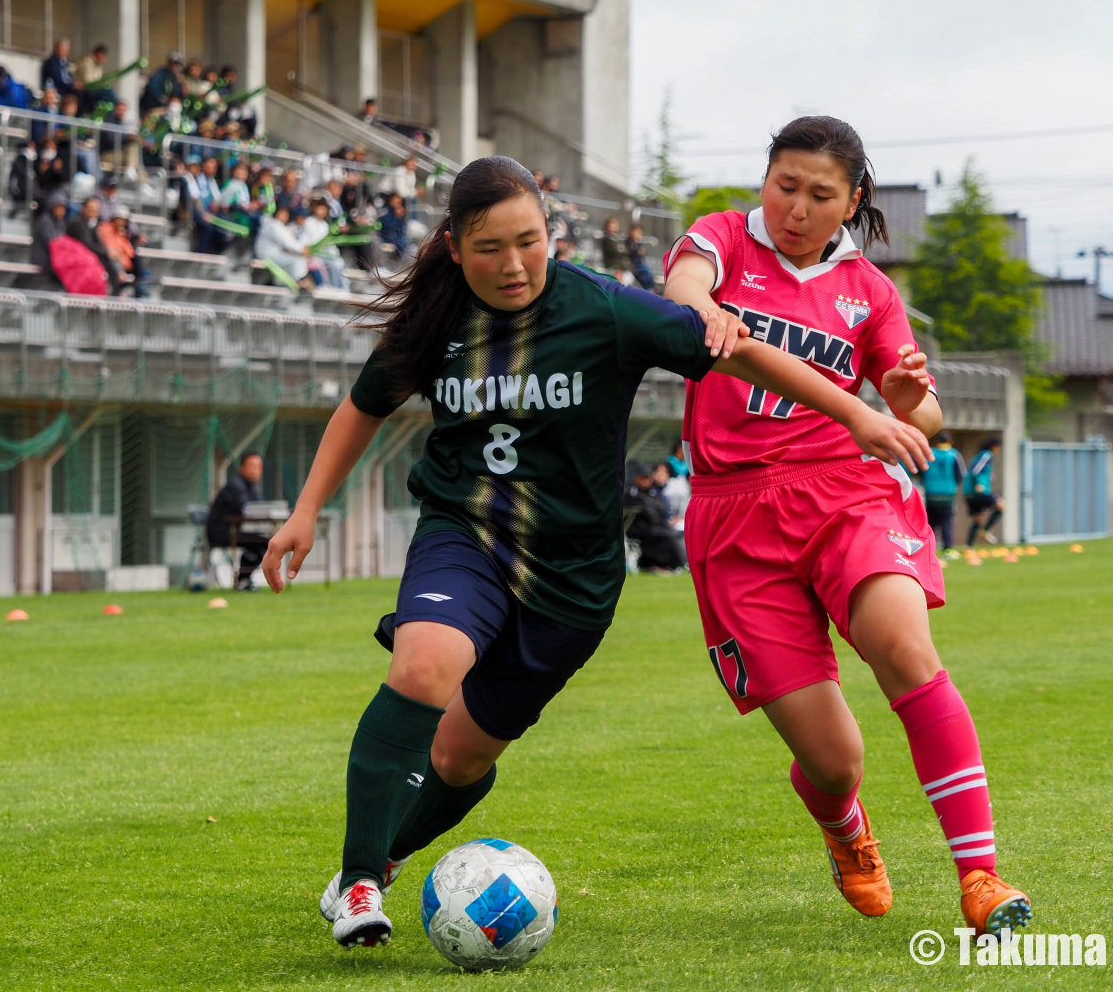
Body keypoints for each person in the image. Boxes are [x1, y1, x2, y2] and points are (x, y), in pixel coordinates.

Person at [257, 155, 930, 950]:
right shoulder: (436, 320)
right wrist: (305, 511)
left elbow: (742, 353)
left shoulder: (606, 309)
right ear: (454, 248)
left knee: (462, 758)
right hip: (466, 533)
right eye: (489, 248)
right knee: (423, 666)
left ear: (552, 234)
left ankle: (388, 854)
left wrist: (855, 413)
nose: (514, 265)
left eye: (529, 241)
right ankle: (361, 880)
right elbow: (362, 407)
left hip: (573, 580)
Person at [662, 114, 1030, 939]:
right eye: (784, 185)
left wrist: (902, 399)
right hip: (733, 516)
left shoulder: (872, 290)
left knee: (903, 647)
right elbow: (685, 294)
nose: (796, 208)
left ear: (853, 200)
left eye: (820, 195)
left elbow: (922, 414)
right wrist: (705, 309)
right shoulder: (723, 238)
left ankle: (980, 877)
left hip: (844, 492)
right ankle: (844, 825)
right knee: (834, 761)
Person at [207, 452, 268, 591]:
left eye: (258, 467)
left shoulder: (251, 486)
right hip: (222, 533)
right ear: (242, 468)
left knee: (263, 543)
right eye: (251, 466)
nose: (255, 470)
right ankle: (243, 579)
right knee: (263, 543)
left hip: (235, 531)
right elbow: (246, 508)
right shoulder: (235, 485)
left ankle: (244, 579)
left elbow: (259, 505)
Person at [624, 463, 684, 571]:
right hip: (639, 530)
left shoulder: (653, 493)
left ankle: (678, 564)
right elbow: (648, 514)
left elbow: (660, 511)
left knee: (675, 532)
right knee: (668, 535)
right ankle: (677, 565)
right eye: (643, 477)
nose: (646, 480)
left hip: (654, 526)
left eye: (648, 477)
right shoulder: (631, 493)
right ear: (636, 477)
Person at [920, 431, 965, 552]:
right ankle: (947, 549)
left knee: (931, 523)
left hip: (931, 494)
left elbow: (920, 471)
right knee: (946, 522)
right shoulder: (954, 455)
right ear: (950, 441)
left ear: (936, 441)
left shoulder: (928, 454)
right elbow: (960, 476)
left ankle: (929, 549)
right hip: (947, 495)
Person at [67, 196, 120, 293]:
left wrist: (108, 251)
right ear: (84, 208)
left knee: (112, 258)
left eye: (96, 209)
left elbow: (97, 242)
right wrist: (106, 252)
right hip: (77, 258)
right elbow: (86, 244)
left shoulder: (92, 223)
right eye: (91, 208)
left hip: (87, 256)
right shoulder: (78, 222)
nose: (94, 211)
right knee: (106, 260)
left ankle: (118, 283)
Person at [254, 201, 310, 288]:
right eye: (282, 213)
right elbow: (287, 242)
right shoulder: (273, 225)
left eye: (286, 214)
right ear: (276, 213)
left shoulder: (277, 225)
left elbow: (289, 241)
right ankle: (299, 283)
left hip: (271, 254)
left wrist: (301, 249)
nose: (284, 216)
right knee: (297, 258)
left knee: (295, 257)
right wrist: (302, 249)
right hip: (266, 255)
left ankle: (294, 282)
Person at [964, 437, 1004, 546]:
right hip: (979, 491)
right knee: (1000, 505)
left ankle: (969, 546)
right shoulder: (987, 455)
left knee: (978, 519)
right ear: (994, 447)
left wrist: (989, 475)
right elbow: (976, 470)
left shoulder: (979, 455)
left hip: (968, 492)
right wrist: (979, 484)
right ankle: (985, 531)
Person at [30, 190, 70, 280]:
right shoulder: (45, 221)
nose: (62, 211)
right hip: (43, 260)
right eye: (59, 208)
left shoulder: (60, 222)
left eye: (63, 208)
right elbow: (53, 241)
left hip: (53, 259)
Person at [600, 217, 631, 283]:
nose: (613, 229)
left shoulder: (620, 239)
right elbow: (615, 253)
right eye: (611, 227)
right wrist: (618, 269)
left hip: (624, 268)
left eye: (615, 226)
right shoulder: (607, 240)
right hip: (613, 269)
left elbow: (627, 251)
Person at [626, 222, 655, 290]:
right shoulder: (627, 242)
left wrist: (642, 252)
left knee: (645, 275)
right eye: (637, 232)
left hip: (639, 264)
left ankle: (649, 289)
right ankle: (651, 288)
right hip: (632, 265)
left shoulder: (638, 243)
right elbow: (628, 253)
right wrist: (637, 251)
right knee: (646, 271)